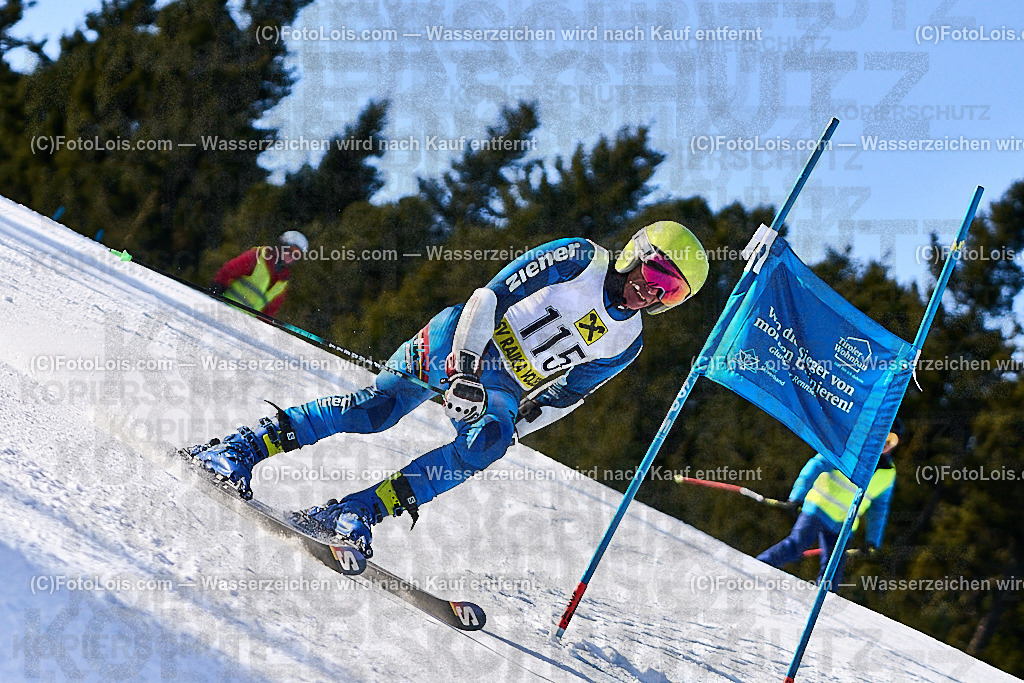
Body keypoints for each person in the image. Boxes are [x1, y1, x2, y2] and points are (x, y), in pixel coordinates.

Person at [185, 222, 709, 556]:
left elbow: (568, 394)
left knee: (487, 443)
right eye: (655, 270)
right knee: (375, 412)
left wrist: (511, 431)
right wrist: (462, 368)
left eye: (671, 290)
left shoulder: (629, 342)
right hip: (464, 339)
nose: (652, 289)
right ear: (637, 252)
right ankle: (240, 447)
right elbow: (488, 296)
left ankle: (356, 512)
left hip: (504, 382)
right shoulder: (579, 258)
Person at [757, 418, 902, 589]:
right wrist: (796, 497)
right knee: (796, 545)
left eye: (892, 440)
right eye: (883, 436)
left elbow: (879, 509)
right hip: (818, 508)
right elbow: (816, 465)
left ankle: (821, 607)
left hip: (845, 524)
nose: (886, 443)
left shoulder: (888, 474)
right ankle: (757, 567)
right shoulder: (850, 448)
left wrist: (872, 540)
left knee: (833, 571)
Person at [210, 231, 309, 316]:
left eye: (296, 254)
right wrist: (215, 294)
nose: (291, 256)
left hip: (242, 324)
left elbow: (268, 313)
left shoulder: (282, 282)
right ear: (282, 246)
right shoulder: (257, 257)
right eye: (291, 250)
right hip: (224, 310)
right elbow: (227, 272)